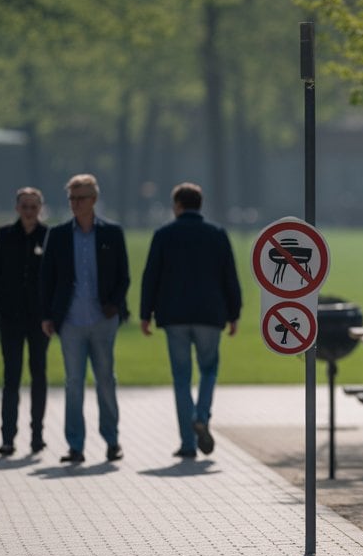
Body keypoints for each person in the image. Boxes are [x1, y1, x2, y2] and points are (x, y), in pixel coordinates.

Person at [139, 183, 242, 460]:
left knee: (181, 377)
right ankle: (201, 416)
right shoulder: (217, 234)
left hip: (174, 316)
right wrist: (234, 313)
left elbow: (151, 275)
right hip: (210, 315)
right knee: (208, 369)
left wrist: (145, 313)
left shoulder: (164, 234)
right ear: (200, 204)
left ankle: (187, 443)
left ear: (177, 205)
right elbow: (229, 276)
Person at [39, 174, 130, 464]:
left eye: (81, 198)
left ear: (94, 200)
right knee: (73, 383)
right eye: (72, 199)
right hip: (70, 321)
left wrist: (114, 305)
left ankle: (112, 440)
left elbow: (124, 275)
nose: (75, 204)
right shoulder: (58, 234)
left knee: (105, 380)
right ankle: (75, 446)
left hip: (103, 320)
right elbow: (47, 278)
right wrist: (47, 315)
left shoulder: (112, 233)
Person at [0, 187, 50, 457]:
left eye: (33, 206)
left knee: (39, 375)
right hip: (11, 318)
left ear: (40, 208)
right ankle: (8, 437)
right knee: (11, 377)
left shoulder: (49, 236)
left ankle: (37, 436)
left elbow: (55, 276)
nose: (29, 211)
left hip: (39, 320)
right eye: (24, 206)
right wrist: (5, 298)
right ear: (17, 208)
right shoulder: (5, 235)